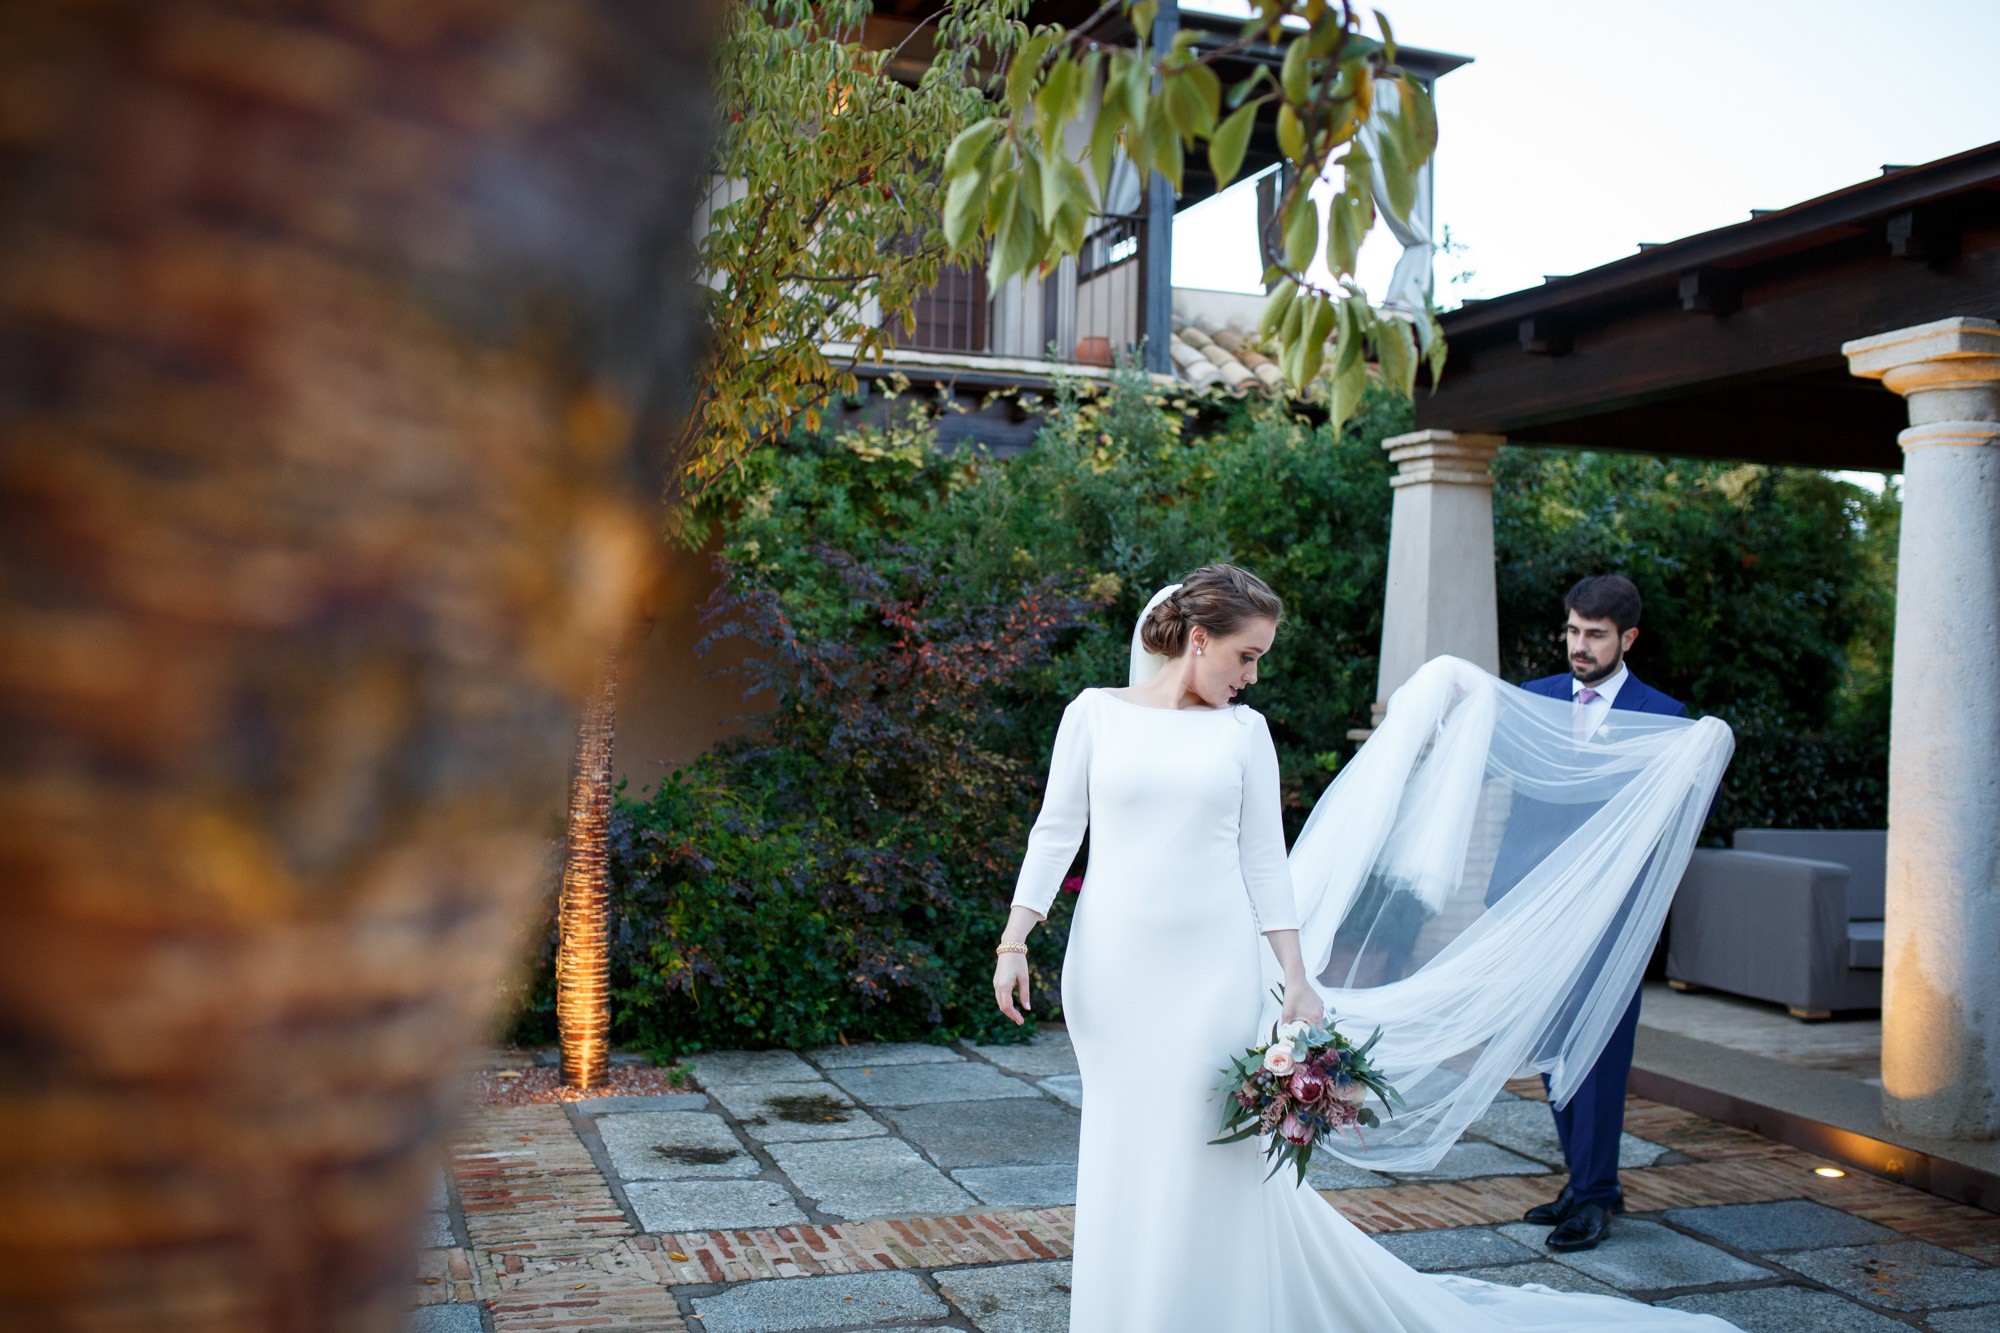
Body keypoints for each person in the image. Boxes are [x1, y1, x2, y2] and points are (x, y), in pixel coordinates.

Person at [992, 565, 1737, 1333]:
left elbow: (1263, 861)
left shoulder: (1244, 733)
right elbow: (1056, 830)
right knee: (1123, 1137)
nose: (1253, 675)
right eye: (1246, 656)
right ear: (1200, 639)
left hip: (1211, 971)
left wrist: (1295, 975)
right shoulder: (1093, 715)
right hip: (1109, 969)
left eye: (1262, 659)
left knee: (1204, 1140)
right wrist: (1016, 938)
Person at [1510, 575, 1690, 1252]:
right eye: (1573, 631)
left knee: (1602, 1056)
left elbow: (1670, 826)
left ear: (1628, 638)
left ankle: (1592, 1196)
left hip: (1614, 917)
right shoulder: (1536, 699)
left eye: (1595, 635)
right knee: (1557, 1049)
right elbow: (1521, 802)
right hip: (1542, 908)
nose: (1578, 647)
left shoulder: (1664, 717)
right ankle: (1586, 1180)